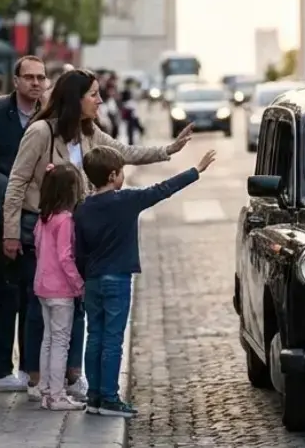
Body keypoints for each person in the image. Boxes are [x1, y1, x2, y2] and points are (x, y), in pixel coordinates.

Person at [1, 69, 195, 401]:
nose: (100, 100)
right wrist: (10, 233)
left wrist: (169, 150)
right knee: (40, 303)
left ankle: (71, 373)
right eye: (93, 94)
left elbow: (125, 153)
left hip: (78, 227)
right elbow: (16, 183)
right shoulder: (40, 132)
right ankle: (36, 375)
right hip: (42, 226)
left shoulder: (90, 133)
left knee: (75, 302)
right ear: (76, 98)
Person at [75, 145, 217, 417]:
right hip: (117, 278)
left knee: (95, 336)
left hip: (92, 280)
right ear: (113, 175)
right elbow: (161, 190)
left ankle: (93, 396)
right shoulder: (125, 200)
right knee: (113, 339)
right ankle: (109, 398)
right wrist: (195, 171)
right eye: (122, 172)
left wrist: (84, 278)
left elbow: (79, 250)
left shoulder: (83, 209)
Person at [0, 55, 48, 393]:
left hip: (39, 218)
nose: (36, 83)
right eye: (30, 77)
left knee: (32, 295)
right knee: (8, 294)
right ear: (16, 80)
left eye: (41, 77)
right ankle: (0, 369)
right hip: (2, 216)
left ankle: (29, 367)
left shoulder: (49, 113)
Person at [33, 161, 87, 411]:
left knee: (47, 339)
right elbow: (66, 256)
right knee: (61, 342)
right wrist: (78, 284)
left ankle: (45, 389)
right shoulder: (65, 220)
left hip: (42, 286)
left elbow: (37, 247)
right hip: (61, 289)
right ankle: (56, 394)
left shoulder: (44, 217)